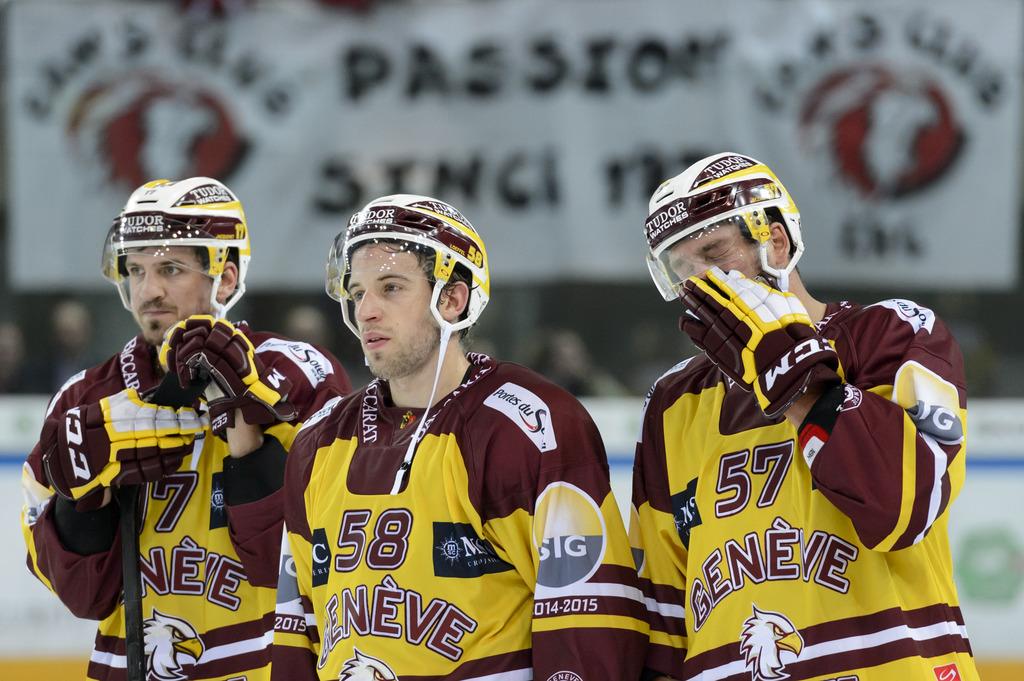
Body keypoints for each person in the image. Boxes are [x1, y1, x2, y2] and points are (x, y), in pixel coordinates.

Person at [271, 194, 648, 679]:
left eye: (391, 288)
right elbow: (296, 630)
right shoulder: (319, 441)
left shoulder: (528, 425)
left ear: (452, 298)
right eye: (358, 292)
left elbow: (586, 623)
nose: (366, 311)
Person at [631, 153, 975, 680]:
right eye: (682, 271)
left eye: (714, 252)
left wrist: (795, 383)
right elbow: (663, 608)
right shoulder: (674, 401)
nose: (699, 283)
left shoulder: (891, 335)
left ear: (776, 242)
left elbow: (906, 507)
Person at [20, 177, 351, 681]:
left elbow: (317, 566)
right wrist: (79, 504)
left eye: (170, 269)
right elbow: (84, 596)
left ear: (224, 279)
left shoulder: (296, 374)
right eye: (136, 270)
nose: (147, 291)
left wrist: (246, 431)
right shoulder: (83, 398)